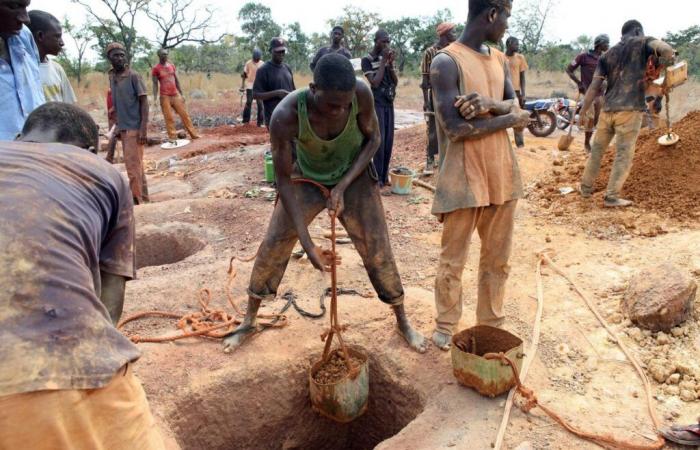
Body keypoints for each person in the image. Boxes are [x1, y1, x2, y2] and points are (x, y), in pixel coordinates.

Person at [223, 54, 427, 354]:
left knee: (377, 245)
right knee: (275, 241)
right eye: (331, 104)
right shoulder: (285, 116)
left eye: (345, 105)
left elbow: (374, 140)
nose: (339, 111)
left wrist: (343, 186)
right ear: (313, 88)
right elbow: (283, 179)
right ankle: (249, 320)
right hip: (306, 178)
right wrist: (308, 246)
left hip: (353, 175)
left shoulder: (361, 93)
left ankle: (402, 320)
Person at [0, 102, 164, 450]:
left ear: (19, 137)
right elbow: (110, 301)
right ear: (91, 151)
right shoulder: (99, 171)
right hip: (49, 373)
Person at [429, 0, 530, 350]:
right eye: (506, 17)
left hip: (501, 171)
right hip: (463, 175)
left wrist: (491, 106)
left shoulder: (500, 59)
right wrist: (509, 118)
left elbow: (515, 106)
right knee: (453, 257)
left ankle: (490, 325)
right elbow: (455, 128)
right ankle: (446, 324)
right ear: (492, 14)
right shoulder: (446, 62)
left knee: (497, 259)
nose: (505, 26)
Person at [579, 20, 674, 208]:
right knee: (623, 154)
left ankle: (585, 189)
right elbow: (665, 50)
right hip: (629, 111)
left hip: (608, 110)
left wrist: (583, 110)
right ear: (638, 30)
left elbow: (594, 86)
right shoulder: (643, 42)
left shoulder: (607, 55)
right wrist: (667, 55)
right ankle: (611, 196)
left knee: (596, 151)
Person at [107, 42, 150, 204]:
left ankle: (137, 202)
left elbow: (144, 102)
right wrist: (114, 114)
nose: (119, 58)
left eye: (122, 55)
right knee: (137, 167)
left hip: (134, 128)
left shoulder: (133, 76)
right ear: (109, 58)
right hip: (123, 127)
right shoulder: (112, 77)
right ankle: (144, 200)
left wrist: (143, 130)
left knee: (132, 170)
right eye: (115, 55)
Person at [0, 0, 44, 140]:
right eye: (13, 7)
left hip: (34, 148)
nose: (25, 19)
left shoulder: (24, 35)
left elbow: (35, 87)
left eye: (25, 7)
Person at [362, 30, 398, 187]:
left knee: (389, 140)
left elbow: (395, 81)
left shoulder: (387, 59)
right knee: (380, 141)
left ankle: (384, 176)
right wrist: (383, 61)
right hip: (377, 103)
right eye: (383, 41)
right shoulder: (367, 60)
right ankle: (377, 178)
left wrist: (389, 65)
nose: (386, 45)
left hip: (389, 103)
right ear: (376, 41)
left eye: (388, 42)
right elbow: (374, 83)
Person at [420, 22, 457, 173]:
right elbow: (425, 81)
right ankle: (430, 160)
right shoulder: (430, 52)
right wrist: (426, 101)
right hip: (435, 96)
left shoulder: (454, 50)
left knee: (451, 126)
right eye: (453, 32)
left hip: (453, 95)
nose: (455, 34)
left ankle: (448, 160)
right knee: (433, 130)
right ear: (445, 34)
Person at [566, 34, 610, 151]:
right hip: (587, 92)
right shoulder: (583, 57)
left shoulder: (604, 59)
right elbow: (569, 69)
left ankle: (594, 141)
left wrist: (606, 82)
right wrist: (579, 83)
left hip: (600, 93)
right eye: (607, 43)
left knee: (597, 119)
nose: (608, 45)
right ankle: (587, 143)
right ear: (600, 44)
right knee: (590, 118)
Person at [26, 10, 76, 104]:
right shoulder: (22, 70)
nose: (62, 43)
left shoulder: (57, 69)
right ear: (40, 36)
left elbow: (69, 105)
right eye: (57, 36)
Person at [151, 48, 199, 140]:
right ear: (159, 56)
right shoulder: (156, 69)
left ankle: (194, 135)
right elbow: (154, 84)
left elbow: (177, 80)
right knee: (169, 118)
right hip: (165, 96)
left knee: (185, 115)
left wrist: (182, 94)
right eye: (163, 54)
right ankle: (173, 138)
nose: (165, 56)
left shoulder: (171, 66)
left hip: (175, 94)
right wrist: (155, 98)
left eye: (166, 54)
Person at [253, 37, 295, 127]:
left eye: (283, 51)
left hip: (290, 115)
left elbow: (293, 91)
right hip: (274, 117)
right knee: (279, 141)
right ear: (270, 51)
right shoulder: (263, 70)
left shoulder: (287, 68)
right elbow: (255, 94)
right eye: (278, 51)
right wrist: (277, 93)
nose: (281, 54)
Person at [505, 36, 527, 147]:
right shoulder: (501, 57)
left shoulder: (520, 58)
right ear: (509, 44)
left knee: (518, 119)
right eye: (516, 44)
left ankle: (520, 144)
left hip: (516, 92)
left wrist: (523, 94)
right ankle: (503, 145)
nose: (518, 46)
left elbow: (522, 77)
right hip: (503, 92)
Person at [241, 48, 264, 126]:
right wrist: (242, 85)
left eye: (258, 59)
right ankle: (245, 121)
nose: (256, 60)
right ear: (253, 57)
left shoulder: (262, 64)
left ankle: (260, 123)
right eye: (255, 58)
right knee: (249, 102)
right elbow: (244, 75)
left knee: (260, 104)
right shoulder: (248, 63)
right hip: (250, 85)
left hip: (260, 86)